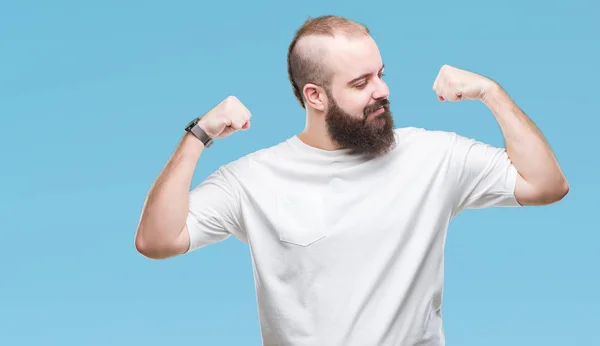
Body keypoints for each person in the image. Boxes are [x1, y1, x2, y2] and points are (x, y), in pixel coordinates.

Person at [134, 15, 569, 346]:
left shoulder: (434, 156)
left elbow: (546, 185)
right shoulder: (254, 179)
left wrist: (490, 92)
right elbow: (157, 241)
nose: (381, 90)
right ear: (315, 95)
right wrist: (200, 134)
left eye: (380, 73)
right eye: (361, 82)